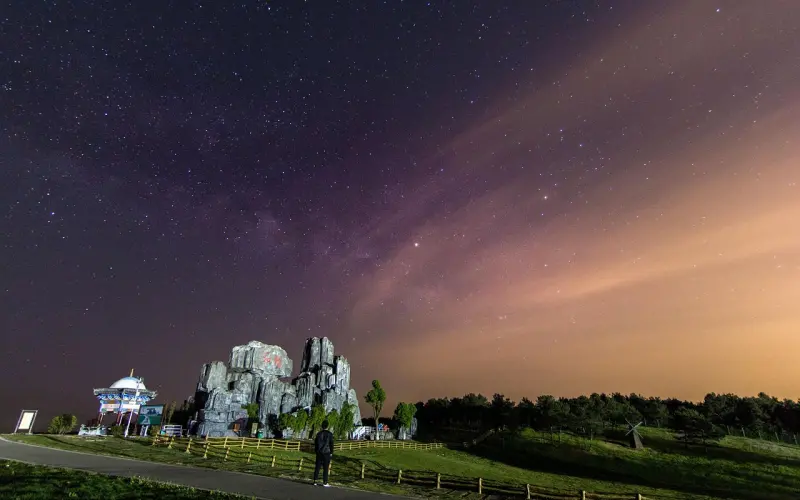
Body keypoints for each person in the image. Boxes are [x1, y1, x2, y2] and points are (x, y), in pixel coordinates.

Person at [313, 420, 334, 487]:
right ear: (328, 426)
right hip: (326, 452)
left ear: (322, 426)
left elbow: (316, 443)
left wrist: (316, 451)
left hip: (319, 452)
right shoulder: (330, 434)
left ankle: (315, 481)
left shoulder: (318, 434)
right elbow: (331, 444)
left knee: (317, 467)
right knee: (326, 468)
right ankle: (325, 482)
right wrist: (331, 452)